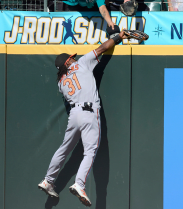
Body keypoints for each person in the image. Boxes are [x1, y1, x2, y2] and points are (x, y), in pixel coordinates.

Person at [37, 28, 128, 206]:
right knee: (90, 151)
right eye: (71, 57)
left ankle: (48, 180)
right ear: (69, 61)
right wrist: (118, 37)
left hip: (74, 115)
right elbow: (102, 48)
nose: (73, 58)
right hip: (88, 112)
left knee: (63, 149)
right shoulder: (82, 63)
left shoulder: (61, 82)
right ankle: (79, 184)